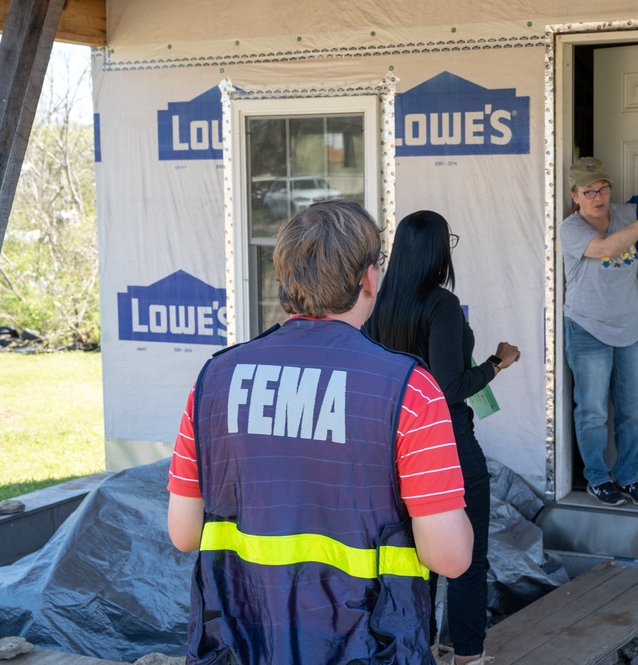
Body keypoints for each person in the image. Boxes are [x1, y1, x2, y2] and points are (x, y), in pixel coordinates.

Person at [166, 199, 474, 665]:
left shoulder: (215, 378)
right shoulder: (409, 388)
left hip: (242, 644)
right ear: (369, 278)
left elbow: (184, 533)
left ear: (284, 277)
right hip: (370, 646)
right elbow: (450, 557)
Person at [367, 210, 519, 665]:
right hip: (447, 441)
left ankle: (422, 648)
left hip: (397, 443)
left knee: (418, 555)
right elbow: (449, 387)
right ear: (436, 251)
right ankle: (468, 656)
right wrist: (496, 363)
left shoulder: (376, 301)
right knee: (466, 556)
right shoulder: (440, 305)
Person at [561, 156, 638, 507]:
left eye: (603, 188)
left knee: (631, 409)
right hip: (587, 328)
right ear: (575, 195)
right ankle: (598, 479)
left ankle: (629, 476)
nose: (598, 197)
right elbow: (606, 248)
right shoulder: (570, 229)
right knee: (593, 412)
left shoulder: (624, 215)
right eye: (589, 191)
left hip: (629, 327)